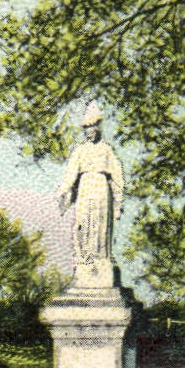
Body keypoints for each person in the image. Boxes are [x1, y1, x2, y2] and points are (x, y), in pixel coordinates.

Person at [57, 101, 125, 287]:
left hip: (102, 189)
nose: (89, 131)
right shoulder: (80, 150)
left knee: (100, 224)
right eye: (86, 127)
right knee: (83, 223)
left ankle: (101, 259)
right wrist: (64, 192)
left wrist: (118, 202)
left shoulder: (107, 150)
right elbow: (70, 174)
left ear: (98, 128)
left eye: (92, 127)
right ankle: (85, 259)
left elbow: (117, 177)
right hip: (86, 187)